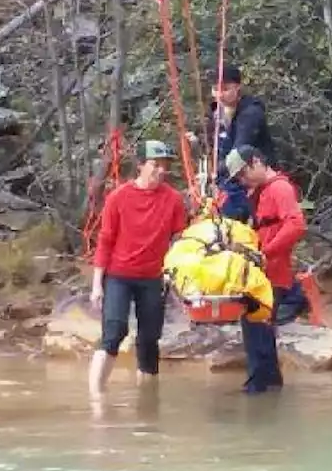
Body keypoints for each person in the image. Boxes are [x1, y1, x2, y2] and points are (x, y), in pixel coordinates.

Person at [88, 140, 189, 400]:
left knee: (149, 340)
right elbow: (105, 241)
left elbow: (180, 239)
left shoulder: (173, 199)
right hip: (119, 275)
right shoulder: (118, 197)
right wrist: (97, 285)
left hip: (153, 277)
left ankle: (147, 404)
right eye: (155, 165)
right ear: (141, 166)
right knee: (114, 332)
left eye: (165, 166)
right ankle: (96, 399)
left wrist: (177, 272)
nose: (160, 171)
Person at [224, 144, 307, 392]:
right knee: (260, 333)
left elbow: (295, 225)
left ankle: (257, 392)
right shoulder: (261, 192)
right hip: (263, 274)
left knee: (256, 334)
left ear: (257, 161)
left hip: (271, 274)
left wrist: (265, 253)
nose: (242, 180)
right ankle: (270, 389)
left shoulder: (279, 188)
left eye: (243, 173)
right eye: (238, 177)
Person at [190, 63, 276, 222]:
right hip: (227, 177)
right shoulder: (217, 112)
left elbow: (238, 155)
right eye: (216, 89)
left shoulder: (251, 113)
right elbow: (209, 142)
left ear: (238, 87)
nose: (219, 95)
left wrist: (212, 173)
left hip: (250, 176)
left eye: (225, 89)